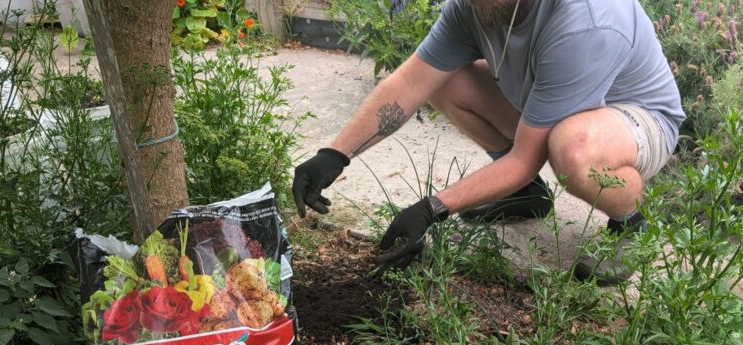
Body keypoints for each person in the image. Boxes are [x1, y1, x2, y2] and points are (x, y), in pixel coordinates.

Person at [292, 0, 684, 285]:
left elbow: (524, 158)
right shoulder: (473, 7)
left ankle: (633, 224)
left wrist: (431, 209)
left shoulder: (586, 19)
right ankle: (527, 196)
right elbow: (411, 81)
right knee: (445, 79)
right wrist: (335, 154)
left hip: (635, 120)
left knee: (573, 151)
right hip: (550, 106)